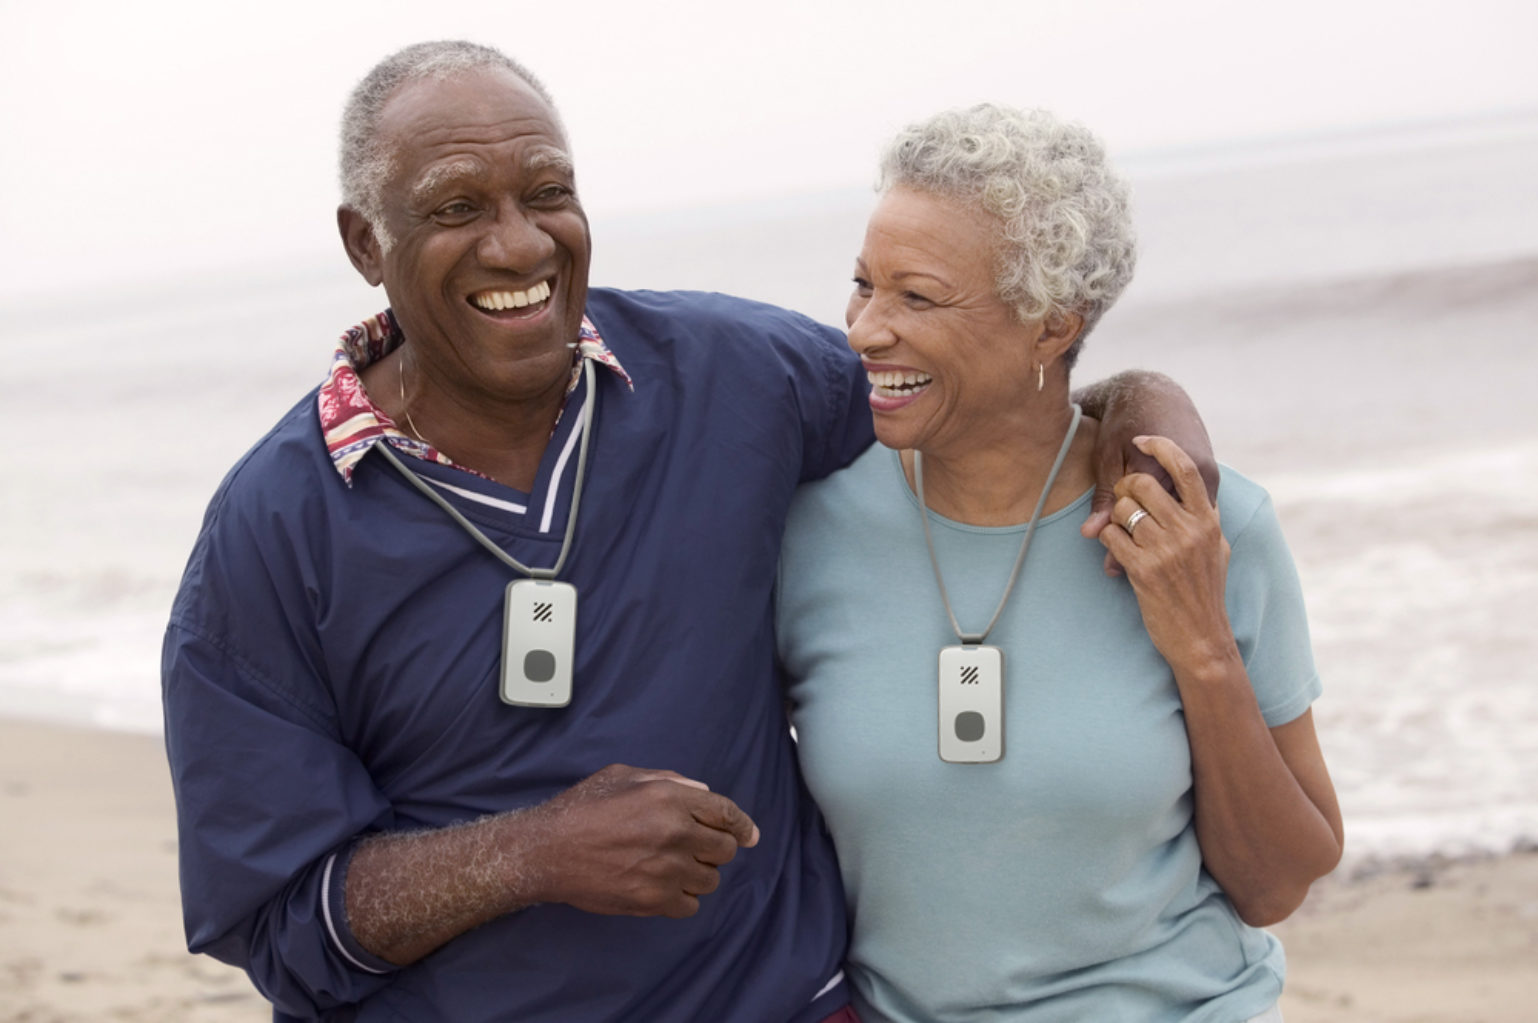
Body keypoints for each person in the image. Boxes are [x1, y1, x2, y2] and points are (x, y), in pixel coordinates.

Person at [162, 42, 1215, 1022]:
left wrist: (1145, 407)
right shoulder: (273, 528)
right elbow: (273, 918)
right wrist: (533, 855)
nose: (518, 242)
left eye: (546, 193)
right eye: (453, 207)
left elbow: (970, 393)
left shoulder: (733, 374)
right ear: (364, 243)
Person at [777, 104, 1344, 1022]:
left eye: (917, 296)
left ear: (1050, 327)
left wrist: (1201, 646)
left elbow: (1276, 885)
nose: (865, 331)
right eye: (862, 285)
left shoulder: (1204, 522)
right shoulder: (808, 525)